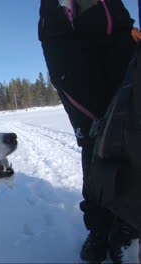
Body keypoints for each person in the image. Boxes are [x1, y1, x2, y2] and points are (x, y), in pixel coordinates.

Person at [38, 0, 141, 263]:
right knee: (94, 135)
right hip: (64, 35)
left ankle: (129, 224)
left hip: (115, 27)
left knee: (132, 126)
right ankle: (100, 225)